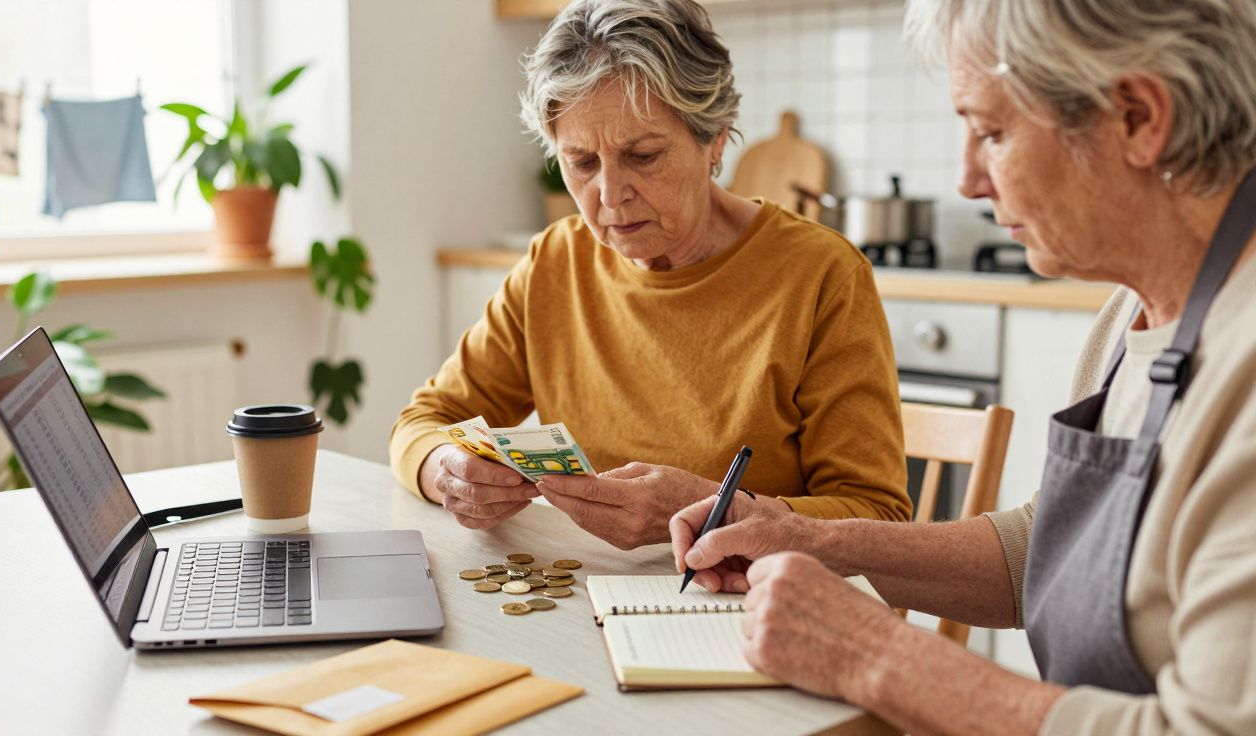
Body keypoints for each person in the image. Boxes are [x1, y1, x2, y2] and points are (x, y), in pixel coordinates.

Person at [670, 0, 1256, 733]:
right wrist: (808, 538)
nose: (969, 181)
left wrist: (874, 653)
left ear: (1138, 117)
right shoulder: (1129, 315)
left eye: (991, 131)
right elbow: (1048, 554)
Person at [388, 0, 911, 549]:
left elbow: (875, 518)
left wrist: (710, 513)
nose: (610, 196)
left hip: (754, 606)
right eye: (582, 164)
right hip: (594, 594)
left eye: (643, 156)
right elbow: (425, 420)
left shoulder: (821, 275)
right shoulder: (555, 262)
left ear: (714, 140)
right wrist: (445, 469)